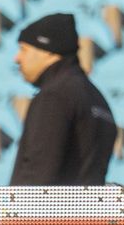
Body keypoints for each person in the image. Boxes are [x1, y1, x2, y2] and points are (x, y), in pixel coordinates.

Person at [10, 13, 117, 185]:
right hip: (88, 210)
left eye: (24, 49)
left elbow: (37, 175)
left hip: (50, 210)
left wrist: (16, 209)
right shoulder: (97, 100)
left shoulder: (55, 96)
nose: (17, 58)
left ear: (48, 51)